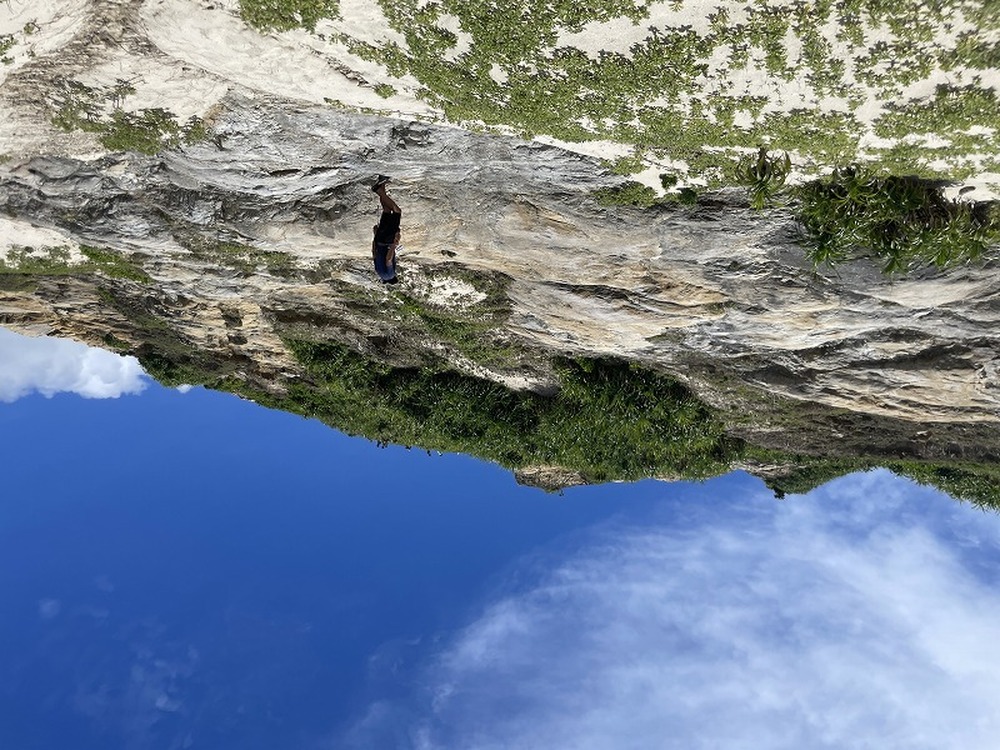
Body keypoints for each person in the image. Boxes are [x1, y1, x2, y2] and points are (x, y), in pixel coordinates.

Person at [371, 175, 401, 283]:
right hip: (379, 240)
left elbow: (388, 260)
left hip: (387, 240)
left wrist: (394, 245)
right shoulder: (379, 272)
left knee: (397, 211)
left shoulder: (390, 274)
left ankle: (379, 191)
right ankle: (382, 183)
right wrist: (375, 235)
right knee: (387, 210)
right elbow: (374, 253)